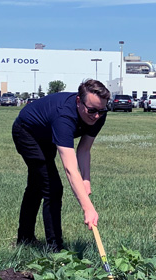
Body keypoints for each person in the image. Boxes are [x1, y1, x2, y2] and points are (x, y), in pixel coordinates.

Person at [11, 79, 111, 251]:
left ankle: (25, 239)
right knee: (52, 188)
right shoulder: (64, 117)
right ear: (79, 101)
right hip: (26, 132)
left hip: (47, 134)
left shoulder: (99, 114)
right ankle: (55, 248)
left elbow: (84, 149)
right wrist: (88, 208)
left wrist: (86, 180)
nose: (96, 116)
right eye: (92, 110)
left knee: (37, 186)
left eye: (101, 111)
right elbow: (70, 169)